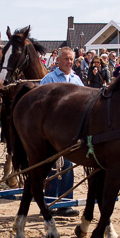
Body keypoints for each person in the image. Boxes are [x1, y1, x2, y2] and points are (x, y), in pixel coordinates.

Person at [40, 46, 83, 216]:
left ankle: (65, 203)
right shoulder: (49, 79)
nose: (69, 62)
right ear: (57, 60)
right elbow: (40, 104)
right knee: (53, 165)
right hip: (53, 131)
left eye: (71, 59)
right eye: (66, 58)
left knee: (68, 166)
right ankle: (50, 203)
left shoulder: (77, 80)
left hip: (73, 132)